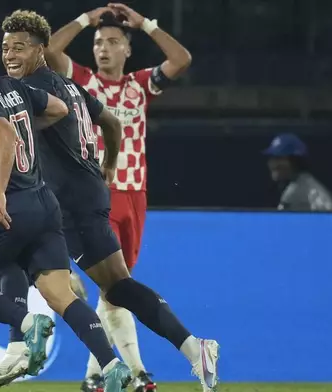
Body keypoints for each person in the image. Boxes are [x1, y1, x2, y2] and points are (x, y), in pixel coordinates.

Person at [0, 11, 217, 392]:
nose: (10, 56)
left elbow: (4, 138)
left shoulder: (23, 91)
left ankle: (21, 343)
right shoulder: (68, 87)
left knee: (7, 258)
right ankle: (193, 348)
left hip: (66, 203)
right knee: (115, 288)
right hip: (86, 195)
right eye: (5, 48)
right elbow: (112, 123)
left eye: (20, 48)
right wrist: (107, 166)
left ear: (41, 50)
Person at [0, 21, 132, 392]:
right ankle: (111, 365)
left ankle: (25, 325)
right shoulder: (13, 86)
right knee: (60, 293)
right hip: (46, 203)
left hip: (13, 204)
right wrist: (30, 123)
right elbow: (60, 109)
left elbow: (4, 133)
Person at [43, 5, 204, 391]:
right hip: (100, 192)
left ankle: (95, 376)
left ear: (127, 50)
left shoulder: (141, 85)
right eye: (99, 42)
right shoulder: (81, 81)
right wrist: (87, 19)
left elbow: (181, 59)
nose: (103, 48)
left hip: (137, 196)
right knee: (114, 286)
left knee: (115, 291)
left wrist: (144, 23)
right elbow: (49, 51)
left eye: (113, 42)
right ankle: (137, 373)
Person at [264, 133, 332, 211]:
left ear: (295, 162)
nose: (272, 164)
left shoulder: (297, 191)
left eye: (278, 158)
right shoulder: (304, 183)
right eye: (272, 158)